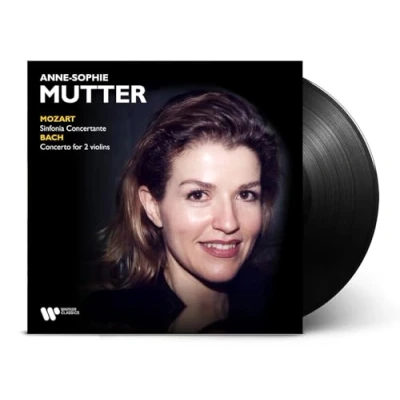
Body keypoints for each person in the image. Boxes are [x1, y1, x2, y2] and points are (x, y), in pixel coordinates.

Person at [81, 90, 280, 333]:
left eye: (246, 194)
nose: (229, 223)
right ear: (153, 206)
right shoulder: (105, 322)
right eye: (198, 195)